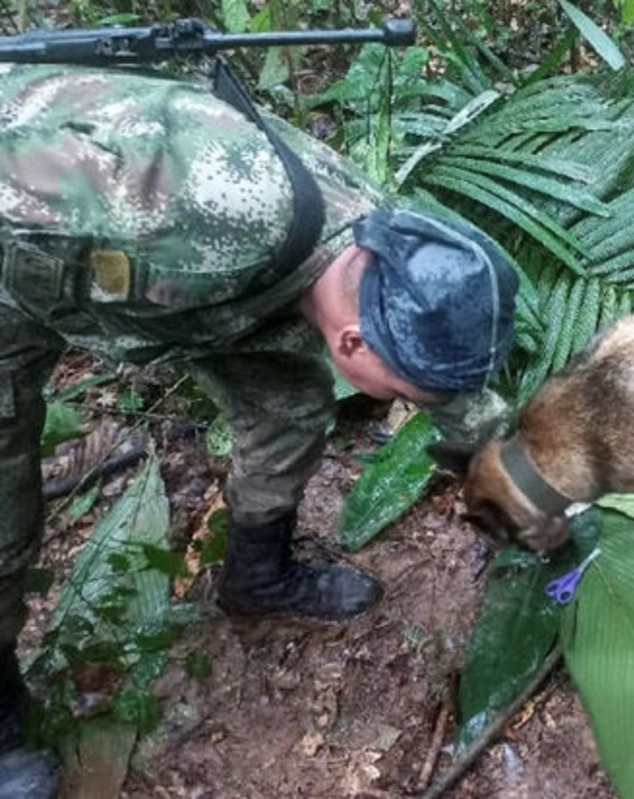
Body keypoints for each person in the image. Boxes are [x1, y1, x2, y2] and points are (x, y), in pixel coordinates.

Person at [0, 60, 518, 796]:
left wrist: (522, 473)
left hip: (181, 287)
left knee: (289, 409)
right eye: (400, 394)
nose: (408, 404)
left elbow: (447, 385)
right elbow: (31, 167)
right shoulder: (192, 213)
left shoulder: (382, 248)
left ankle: (257, 576)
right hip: (21, 249)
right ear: (353, 347)